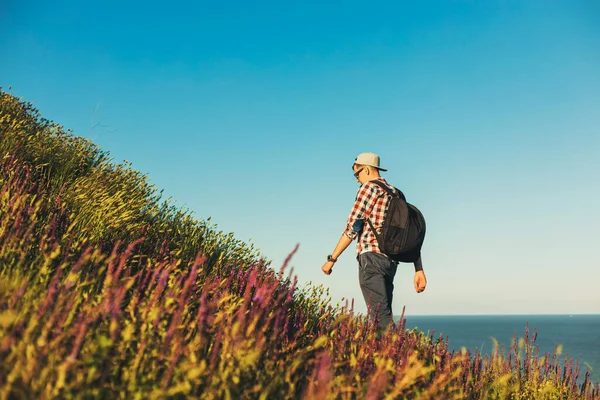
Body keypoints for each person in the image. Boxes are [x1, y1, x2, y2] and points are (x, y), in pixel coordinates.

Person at [321, 152, 427, 332]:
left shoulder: (368, 188)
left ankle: (397, 355)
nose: (357, 179)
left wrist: (332, 259)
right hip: (390, 262)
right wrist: (419, 269)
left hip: (371, 259)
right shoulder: (397, 193)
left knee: (380, 320)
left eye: (357, 174)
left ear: (368, 169)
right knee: (383, 314)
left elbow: (352, 228)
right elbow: (409, 234)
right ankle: (393, 353)